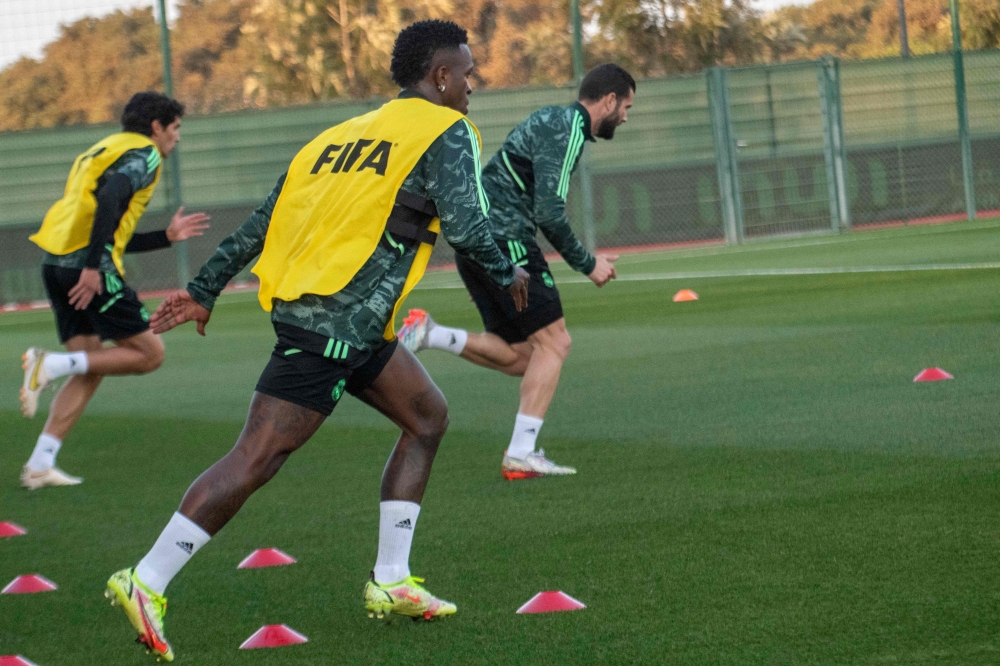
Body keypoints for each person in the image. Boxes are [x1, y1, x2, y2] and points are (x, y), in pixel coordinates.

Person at [104, 20, 529, 661]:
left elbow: (264, 220)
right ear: (440, 76)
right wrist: (509, 271)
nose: (474, 84)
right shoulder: (448, 130)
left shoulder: (337, 136)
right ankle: (147, 579)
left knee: (427, 417)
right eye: (468, 72)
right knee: (259, 455)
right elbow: (469, 229)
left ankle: (391, 580)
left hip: (352, 322)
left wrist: (208, 286)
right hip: (334, 324)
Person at [399, 64, 634, 480]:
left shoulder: (550, 117)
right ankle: (522, 453)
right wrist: (588, 263)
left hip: (477, 242)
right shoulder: (570, 129)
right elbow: (549, 212)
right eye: (627, 106)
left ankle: (429, 333)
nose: (626, 117)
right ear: (609, 100)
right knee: (556, 343)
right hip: (507, 242)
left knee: (523, 356)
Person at [19, 91, 210, 490]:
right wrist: (92, 267)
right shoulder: (147, 154)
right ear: (157, 127)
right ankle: (48, 364)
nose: (177, 138)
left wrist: (165, 236)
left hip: (56, 262)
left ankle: (40, 465)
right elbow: (110, 199)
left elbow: (105, 222)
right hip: (87, 267)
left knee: (89, 367)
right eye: (175, 129)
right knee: (149, 355)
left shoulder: (104, 147)